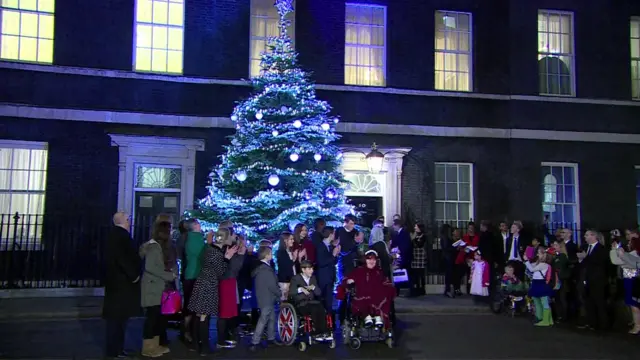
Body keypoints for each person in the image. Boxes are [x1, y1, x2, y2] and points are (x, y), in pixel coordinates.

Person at [187, 228, 237, 355]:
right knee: (204, 316)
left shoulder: (209, 248)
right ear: (224, 239)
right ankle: (204, 347)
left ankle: (196, 344)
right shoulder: (216, 253)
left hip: (202, 283)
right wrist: (227, 258)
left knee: (199, 316)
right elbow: (220, 272)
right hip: (208, 286)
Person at [103, 212, 141, 359]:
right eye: (127, 219)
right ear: (122, 221)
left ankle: (117, 349)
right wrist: (134, 275)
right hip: (122, 284)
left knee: (118, 320)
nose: (129, 222)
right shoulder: (121, 237)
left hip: (116, 283)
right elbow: (123, 259)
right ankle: (114, 351)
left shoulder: (114, 236)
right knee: (117, 320)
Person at [139, 220, 176, 357]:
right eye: (170, 230)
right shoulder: (154, 248)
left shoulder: (156, 246)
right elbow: (151, 267)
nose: (172, 233)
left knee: (155, 318)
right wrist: (169, 275)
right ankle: (148, 348)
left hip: (155, 286)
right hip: (152, 287)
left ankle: (155, 345)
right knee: (151, 318)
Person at [339, 250, 396, 329]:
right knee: (361, 300)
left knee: (382, 297)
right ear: (365, 260)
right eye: (369, 259)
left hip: (377, 296)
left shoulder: (379, 272)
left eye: (373, 259)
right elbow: (347, 279)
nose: (371, 261)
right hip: (362, 296)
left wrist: (388, 287)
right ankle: (367, 317)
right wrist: (349, 281)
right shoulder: (359, 271)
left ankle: (378, 317)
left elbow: (386, 282)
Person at [217, 230, 247, 349]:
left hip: (230, 281)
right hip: (227, 282)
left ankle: (224, 337)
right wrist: (240, 255)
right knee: (225, 312)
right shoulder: (228, 250)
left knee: (228, 312)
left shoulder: (231, 250)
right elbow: (233, 269)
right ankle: (221, 339)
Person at [250, 246, 283, 351]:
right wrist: (279, 293)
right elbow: (272, 286)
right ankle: (255, 342)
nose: (272, 255)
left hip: (265, 297)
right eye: (270, 253)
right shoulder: (266, 270)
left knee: (271, 318)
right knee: (263, 320)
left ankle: (271, 338)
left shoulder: (260, 268)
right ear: (267, 255)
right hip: (267, 298)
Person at [288, 260, 331, 340]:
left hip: (312, 301)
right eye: (310, 269)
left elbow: (318, 293)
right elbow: (291, 292)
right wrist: (300, 289)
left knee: (321, 308)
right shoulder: (296, 278)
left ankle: (324, 332)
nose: (312, 271)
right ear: (303, 270)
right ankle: (317, 333)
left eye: (312, 269)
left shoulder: (313, 278)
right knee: (314, 309)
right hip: (301, 304)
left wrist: (314, 287)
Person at [579, 230, 609, 331]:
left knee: (599, 302)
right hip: (588, 279)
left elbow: (600, 262)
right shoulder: (585, 248)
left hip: (598, 280)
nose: (585, 237)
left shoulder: (601, 248)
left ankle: (603, 325)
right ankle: (592, 323)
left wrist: (586, 258)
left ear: (594, 236)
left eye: (587, 235)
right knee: (589, 302)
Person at [523, 247, 555, 327]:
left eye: (539, 253)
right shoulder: (538, 263)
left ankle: (546, 320)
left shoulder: (544, 265)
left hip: (541, 284)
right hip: (536, 283)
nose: (537, 254)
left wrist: (526, 261)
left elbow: (531, 269)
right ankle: (541, 317)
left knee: (544, 302)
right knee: (537, 301)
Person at [315, 226, 340, 318]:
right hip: (323, 277)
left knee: (329, 300)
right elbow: (321, 262)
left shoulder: (330, 246)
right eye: (333, 233)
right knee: (323, 299)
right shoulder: (321, 246)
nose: (334, 235)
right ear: (330, 234)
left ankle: (329, 320)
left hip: (330, 277)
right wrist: (333, 255)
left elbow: (333, 261)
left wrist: (336, 255)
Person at [276, 231, 300, 300]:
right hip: (285, 281)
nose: (293, 241)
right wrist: (294, 258)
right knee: (285, 301)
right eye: (291, 239)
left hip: (291, 280)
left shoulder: (289, 251)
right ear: (285, 240)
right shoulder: (281, 252)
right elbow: (286, 266)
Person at [410, 223, 427, 296]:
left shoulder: (424, 236)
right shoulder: (414, 235)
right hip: (415, 255)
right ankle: (416, 288)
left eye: (416, 227)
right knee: (415, 273)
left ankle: (422, 289)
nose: (414, 228)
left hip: (421, 256)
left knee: (421, 274)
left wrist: (413, 239)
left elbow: (420, 245)